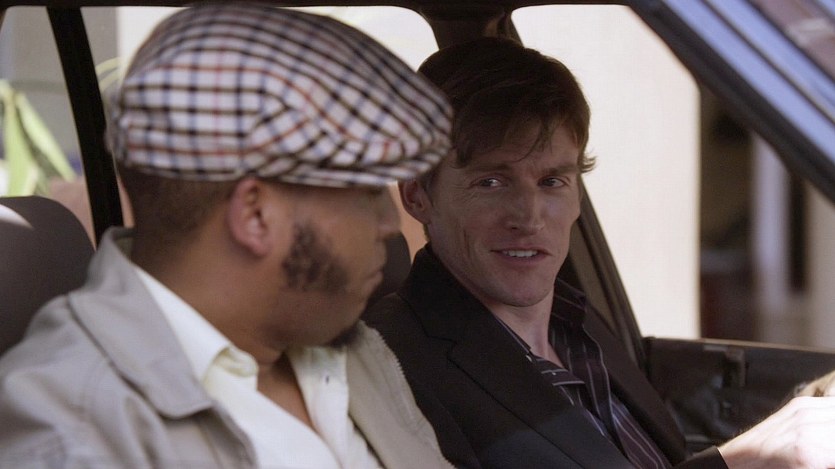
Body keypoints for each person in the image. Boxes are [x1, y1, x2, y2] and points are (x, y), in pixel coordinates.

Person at [0, 4, 454, 468]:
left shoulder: (347, 345)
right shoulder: (75, 436)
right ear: (255, 215)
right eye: (366, 192)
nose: (390, 222)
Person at [364, 37, 835, 469]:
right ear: (417, 195)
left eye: (552, 181)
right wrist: (744, 459)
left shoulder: (578, 321)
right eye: (491, 182)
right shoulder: (393, 365)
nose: (529, 217)